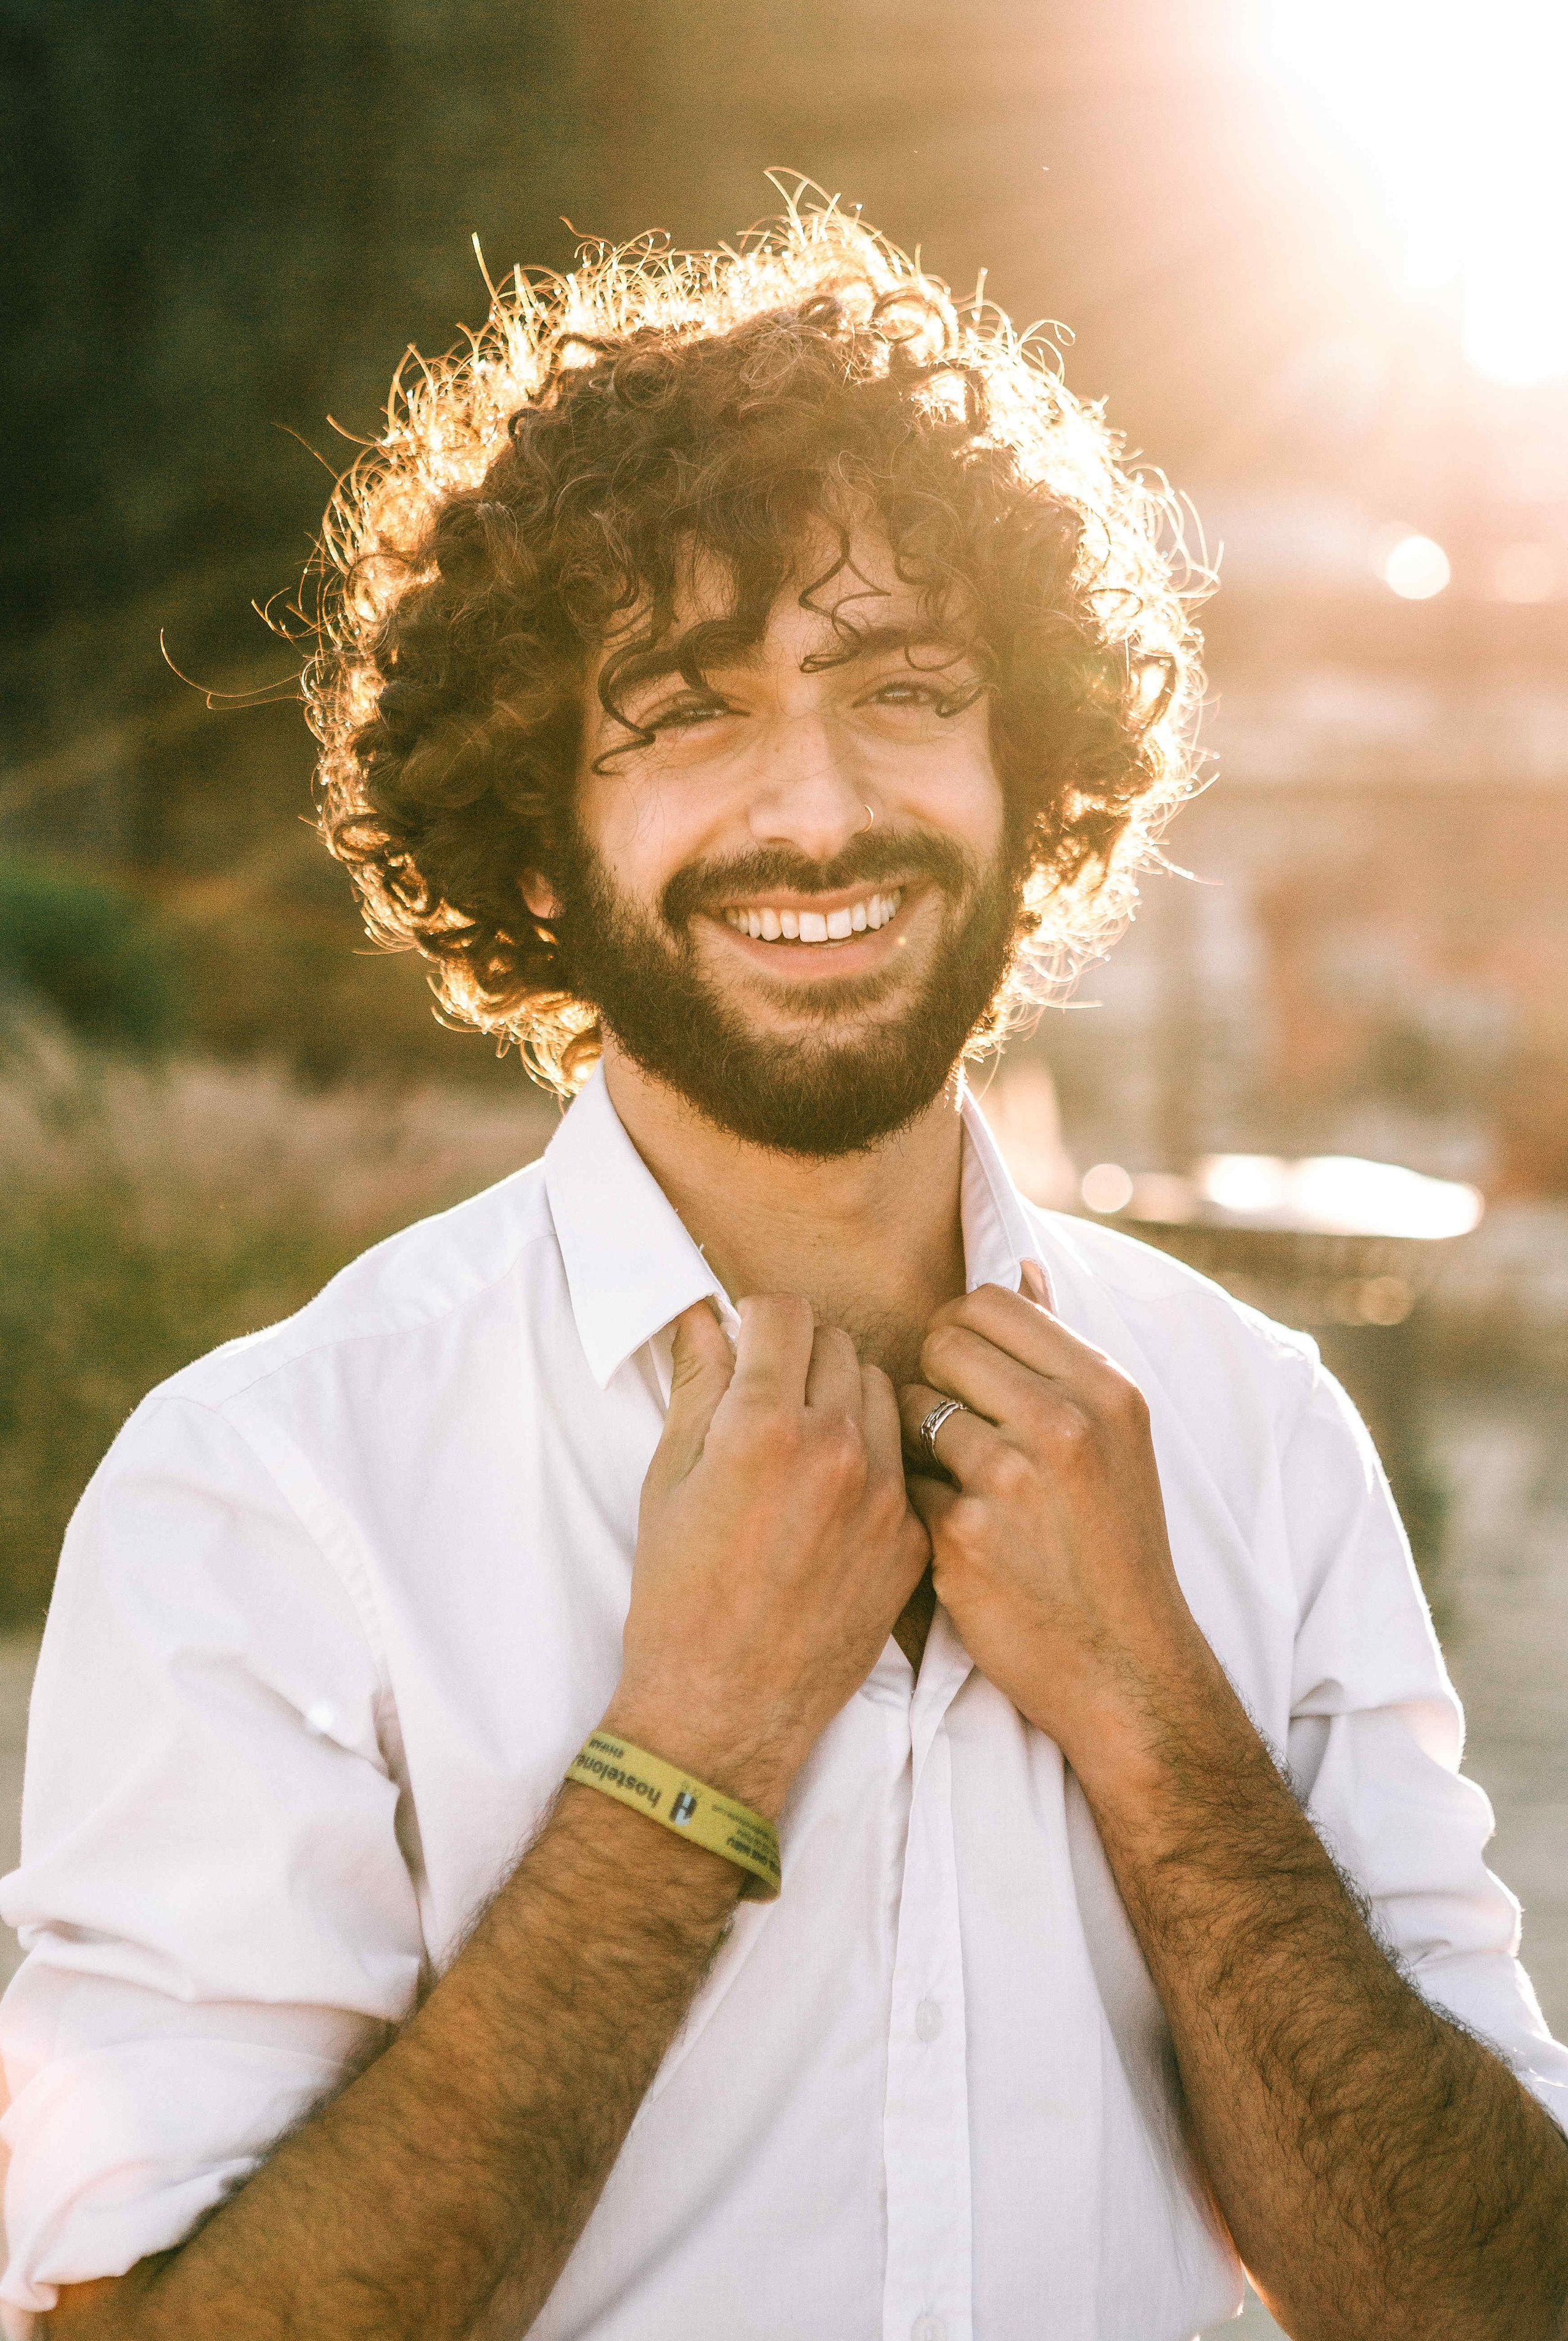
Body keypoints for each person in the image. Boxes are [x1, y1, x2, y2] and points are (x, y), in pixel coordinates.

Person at [4, 197, 1566, 2341]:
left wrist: (1154, 1724)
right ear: (534, 830)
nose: (815, 807)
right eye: (682, 712)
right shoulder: (268, 1494)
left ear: (1036, 773)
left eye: (906, 690)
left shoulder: (1256, 1434)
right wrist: (688, 1759)